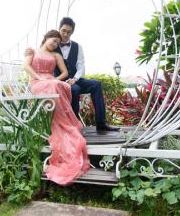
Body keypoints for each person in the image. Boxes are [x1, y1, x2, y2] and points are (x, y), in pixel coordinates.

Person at [27, 17, 119, 132]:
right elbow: (40, 54)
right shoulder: (53, 44)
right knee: (74, 90)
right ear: (59, 29)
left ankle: (101, 124)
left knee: (96, 84)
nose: (65, 34)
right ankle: (74, 125)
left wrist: (75, 78)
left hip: (75, 79)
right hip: (59, 81)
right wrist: (29, 52)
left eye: (69, 32)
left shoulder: (77, 46)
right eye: (63, 31)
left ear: (72, 32)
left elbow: (81, 66)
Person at [24, 29, 90, 185]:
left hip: (51, 82)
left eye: (57, 43)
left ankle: (65, 125)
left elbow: (65, 72)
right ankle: (64, 124)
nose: (55, 44)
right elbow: (26, 66)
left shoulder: (56, 55)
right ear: (46, 38)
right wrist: (40, 77)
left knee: (61, 85)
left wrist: (54, 79)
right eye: (53, 41)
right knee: (55, 85)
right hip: (36, 83)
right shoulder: (32, 50)